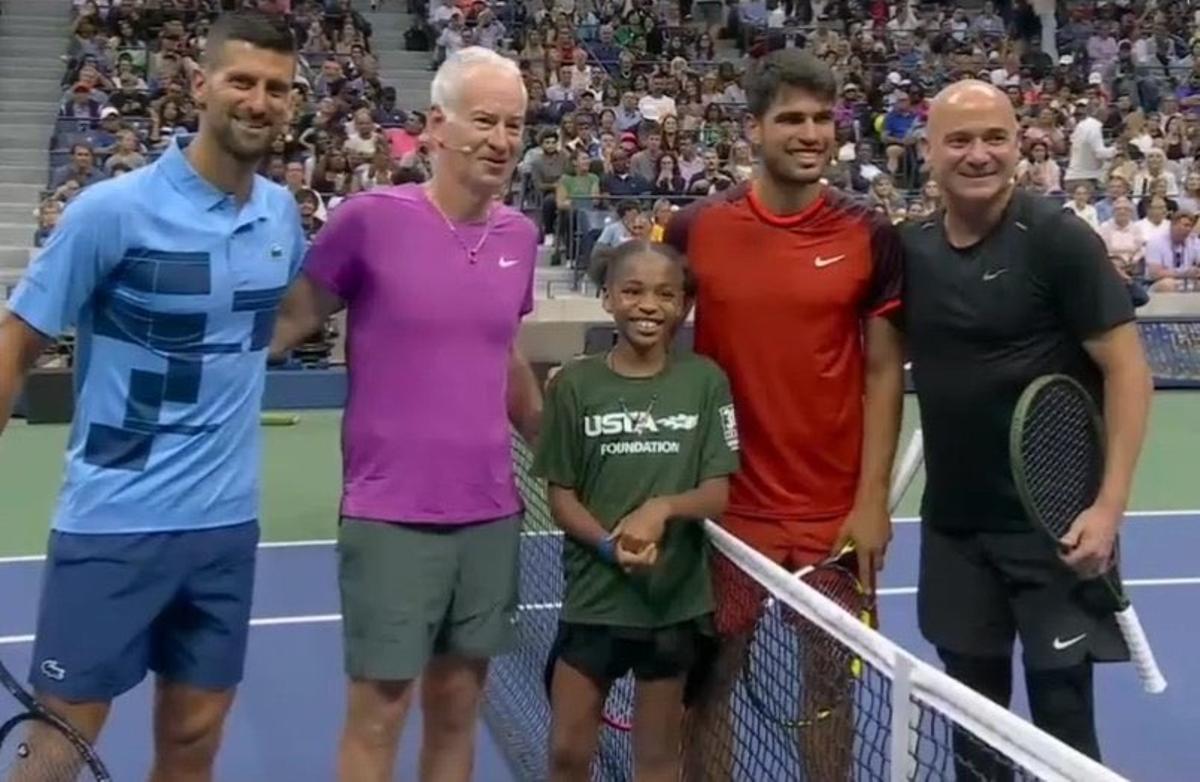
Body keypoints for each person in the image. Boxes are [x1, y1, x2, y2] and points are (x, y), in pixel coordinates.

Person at [0, 10, 304, 778]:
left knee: (197, 734)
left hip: (226, 528)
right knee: (58, 742)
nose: (258, 100)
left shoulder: (281, 216)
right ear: (199, 85)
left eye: (277, 87)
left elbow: (255, 331)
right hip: (113, 523)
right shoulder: (111, 211)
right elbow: (17, 341)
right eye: (242, 80)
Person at [268, 47, 543, 782]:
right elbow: (281, 328)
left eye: (513, 124)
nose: (500, 139)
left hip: (490, 514)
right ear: (436, 127)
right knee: (380, 714)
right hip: (390, 515)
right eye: (484, 120)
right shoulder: (368, 221)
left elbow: (505, 356)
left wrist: (557, 450)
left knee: (458, 708)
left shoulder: (520, 237)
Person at [665, 49, 906, 780]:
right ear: (755, 130)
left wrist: (872, 504)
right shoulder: (695, 229)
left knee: (829, 692)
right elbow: (660, 352)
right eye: (790, 119)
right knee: (710, 685)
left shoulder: (870, 235)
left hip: (833, 515)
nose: (809, 133)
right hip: (728, 507)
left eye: (821, 119)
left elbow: (884, 368)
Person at [899, 80, 1153, 771]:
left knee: (1063, 728)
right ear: (929, 152)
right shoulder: (910, 250)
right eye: (959, 139)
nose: (978, 154)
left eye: (995, 138)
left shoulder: (1058, 239)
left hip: (1057, 531)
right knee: (973, 734)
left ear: (1019, 144)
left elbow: (1129, 372)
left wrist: (1108, 509)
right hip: (954, 531)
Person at [535, 241, 739, 782]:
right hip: (593, 602)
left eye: (665, 294)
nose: (648, 305)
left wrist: (662, 507)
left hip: (672, 605)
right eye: (633, 291)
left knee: (656, 760)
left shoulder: (705, 382)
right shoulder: (575, 385)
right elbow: (561, 497)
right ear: (607, 300)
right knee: (567, 753)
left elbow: (717, 492)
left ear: (682, 307)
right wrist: (608, 545)